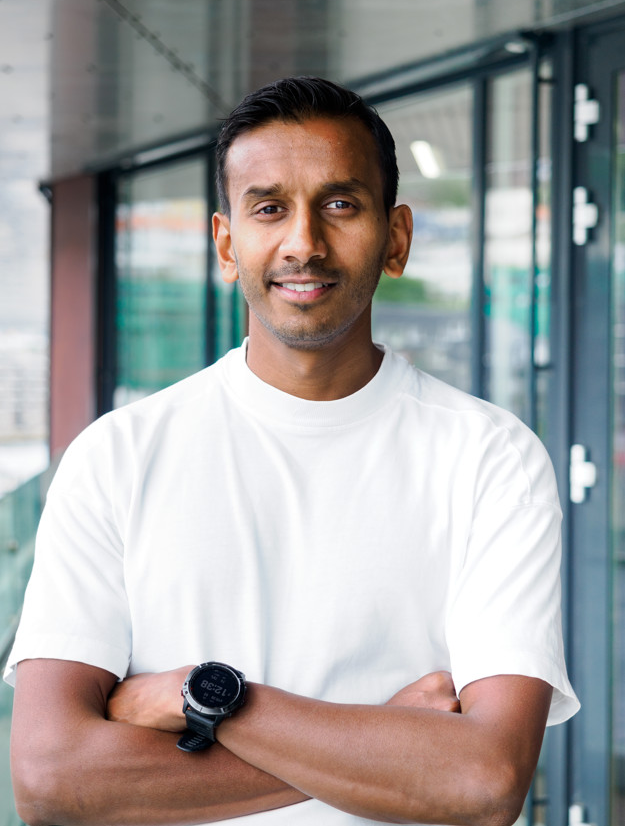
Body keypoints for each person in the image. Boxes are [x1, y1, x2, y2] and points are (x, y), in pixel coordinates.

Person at [6, 76, 578, 826]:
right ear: (225, 243)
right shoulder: (116, 456)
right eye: (268, 208)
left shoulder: (491, 459)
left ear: (396, 236)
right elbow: (54, 780)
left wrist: (208, 699)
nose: (303, 242)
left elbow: (481, 782)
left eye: (339, 204)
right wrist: (383, 735)